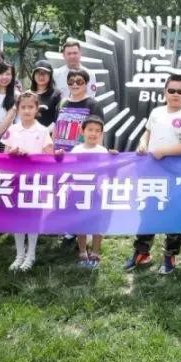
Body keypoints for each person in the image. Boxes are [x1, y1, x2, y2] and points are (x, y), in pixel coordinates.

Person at [127, 74, 181, 275]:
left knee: (174, 213)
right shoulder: (156, 112)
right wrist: (143, 144)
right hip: (152, 170)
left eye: (180, 91)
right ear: (165, 92)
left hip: (177, 172)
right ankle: (142, 251)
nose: (176, 94)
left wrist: (164, 152)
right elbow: (147, 132)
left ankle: (170, 255)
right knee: (148, 209)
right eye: (172, 90)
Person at [3, 91, 53, 272]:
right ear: (18, 109)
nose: (26, 110)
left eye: (30, 107)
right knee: (17, 218)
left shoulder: (43, 130)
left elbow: (49, 156)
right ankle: (19, 255)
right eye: (23, 107)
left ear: (37, 109)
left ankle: (31, 255)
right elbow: (5, 154)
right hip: (16, 180)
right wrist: (12, 152)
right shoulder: (12, 130)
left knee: (33, 217)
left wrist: (31, 155)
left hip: (35, 181)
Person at [73, 115, 113, 268]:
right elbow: (68, 169)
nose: (93, 133)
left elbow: (109, 171)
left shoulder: (103, 151)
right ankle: (83, 251)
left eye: (97, 131)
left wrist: (114, 157)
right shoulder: (76, 150)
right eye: (90, 130)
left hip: (98, 193)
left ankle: (95, 252)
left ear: (101, 134)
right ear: (82, 131)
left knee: (98, 223)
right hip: (80, 192)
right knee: (81, 223)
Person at [53, 68, 105, 149]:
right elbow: (55, 129)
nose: (74, 84)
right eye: (71, 81)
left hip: (82, 154)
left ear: (86, 83)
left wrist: (98, 154)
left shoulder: (93, 105)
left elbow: (99, 133)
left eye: (79, 82)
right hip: (59, 154)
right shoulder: (62, 103)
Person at [30, 59, 62, 128]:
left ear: (50, 75)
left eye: (44, 73)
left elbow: (59, 117)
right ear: (33, 75)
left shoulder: (56, 95)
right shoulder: (28, 94)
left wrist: (47, 131)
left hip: (48, 132)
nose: (41, 76)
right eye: (38, 73)